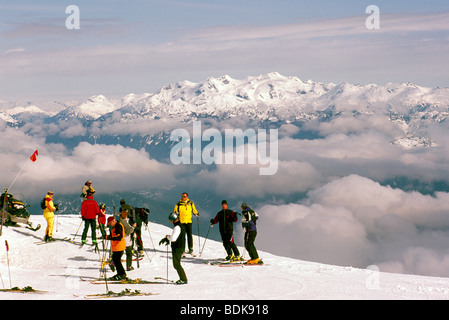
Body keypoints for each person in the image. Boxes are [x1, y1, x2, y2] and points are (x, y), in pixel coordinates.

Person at [159, 212, 188, 285]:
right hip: (179, 246)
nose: (170, 222)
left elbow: (173, 238)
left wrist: (167, 237)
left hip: (178, 247)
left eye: (170, 220)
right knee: (176, 264)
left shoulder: (177, 227)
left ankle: (183, 279)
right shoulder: (180, 226)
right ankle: (183, 279)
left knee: (176, 264)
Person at [106, 215, 127, 280]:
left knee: (117, 261)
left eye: (110, 223)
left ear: (113, 221)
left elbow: (119, 237)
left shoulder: (118, 226)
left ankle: (122, 274)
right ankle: (120, 273)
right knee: (116, 260)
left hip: (119, 247)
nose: (110, 225)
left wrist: (109, 237)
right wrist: (107, 237)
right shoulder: (116, 226)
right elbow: (114, 236)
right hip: (116, 247)